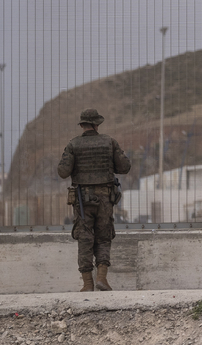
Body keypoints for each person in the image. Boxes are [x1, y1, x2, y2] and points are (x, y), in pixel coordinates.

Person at [58, 108, 131, 292]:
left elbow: (63, 172)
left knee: (84, 238)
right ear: (97, 124)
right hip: (105, 197)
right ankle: (102, 278)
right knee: (104, 237)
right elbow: (124, 167)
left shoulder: (73, 144)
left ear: (82, 125)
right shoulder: (109, 142)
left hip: (82, 200)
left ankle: (87, 284)